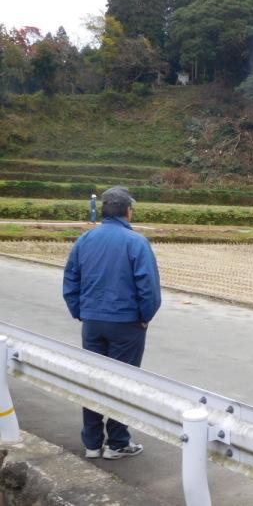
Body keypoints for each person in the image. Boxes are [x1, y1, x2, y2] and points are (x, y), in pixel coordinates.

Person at [63, 186, 161, 460]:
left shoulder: (85, 239)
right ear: (128, 211)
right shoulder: (136, 242)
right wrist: (144, 317)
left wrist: (80, 311)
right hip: (126, 324)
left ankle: (92, 444)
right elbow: (148, 288)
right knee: (122, 382)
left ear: (104, 210)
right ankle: (117, 443)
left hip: (93, 322)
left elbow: (71, 279)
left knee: (93, 379)